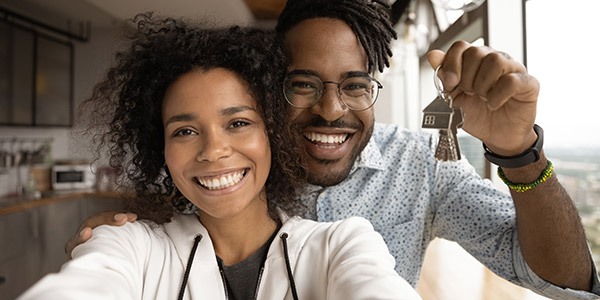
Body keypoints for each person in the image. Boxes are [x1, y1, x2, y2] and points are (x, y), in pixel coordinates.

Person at [67, 1, 600, 299]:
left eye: (354, 85)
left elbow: (562, 283)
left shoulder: (422, 166)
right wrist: (123, 238)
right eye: (303, 84)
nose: (330, 110)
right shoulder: (225, 166)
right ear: (268, 87)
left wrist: (519, 152)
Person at [19, 14, 421, 300]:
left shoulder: (343, 245)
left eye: (238, 123)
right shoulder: (129, 247)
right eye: (185, 131)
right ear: (160, 148)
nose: (213, 151)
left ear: (272, 133)